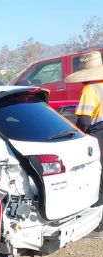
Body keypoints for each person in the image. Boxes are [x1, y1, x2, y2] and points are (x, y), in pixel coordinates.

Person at [67, 50, 103, 237]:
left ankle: (97, 222)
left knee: (97, 176)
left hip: (99, 134)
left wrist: (77, 136)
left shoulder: (90, 90)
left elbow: (85, 122)